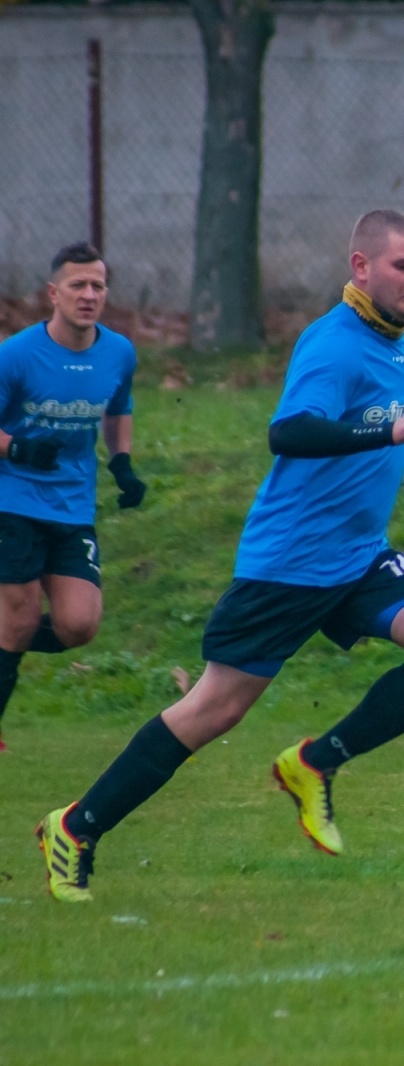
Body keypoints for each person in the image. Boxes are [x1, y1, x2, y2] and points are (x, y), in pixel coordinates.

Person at [36, 210, 404, 902]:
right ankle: (77, 825)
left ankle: (314, 763)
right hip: (290, 564)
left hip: (357, 556)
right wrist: (388, 427)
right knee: (211, 711)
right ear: (361, 267)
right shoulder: (334, 343)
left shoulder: (395, 339)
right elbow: (291, 432)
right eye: (403, 266)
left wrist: (387, 426)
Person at [0, 242, 145, 753]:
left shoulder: (119, 351)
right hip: (12, 500)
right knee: (16, 621)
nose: (88, 295)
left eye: (97, 286)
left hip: (73, 506)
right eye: (78, 285)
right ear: (53, 293)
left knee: (78, 624)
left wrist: (122, 462)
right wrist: (18, 447)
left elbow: (119, 406)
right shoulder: (16, 355)